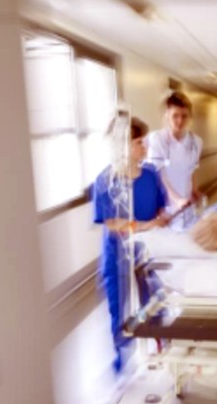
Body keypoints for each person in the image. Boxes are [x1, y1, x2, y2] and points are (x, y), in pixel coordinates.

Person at [93, 116, 168, 374]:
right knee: (119, 307)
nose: (145, 147)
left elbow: (161, 208)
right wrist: (146, 225)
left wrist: (161, 220)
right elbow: (113, 223)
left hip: (147, 250)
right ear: (122, 145)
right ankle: (122, 356)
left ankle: (162, 345)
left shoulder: (151, 175)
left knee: (155, 299)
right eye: (139, 142)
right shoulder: (105, 181)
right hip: (117, 254)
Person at [146, 92, 204, 230]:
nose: (180, 121)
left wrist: (194, 190)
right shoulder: (157, 139)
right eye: (175, 116)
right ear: (167, 115)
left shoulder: (196, 142)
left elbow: (192, 169)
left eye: (184, 116)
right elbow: (159, 174)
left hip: (187, 206)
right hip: (165, 209)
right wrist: (176, 199)